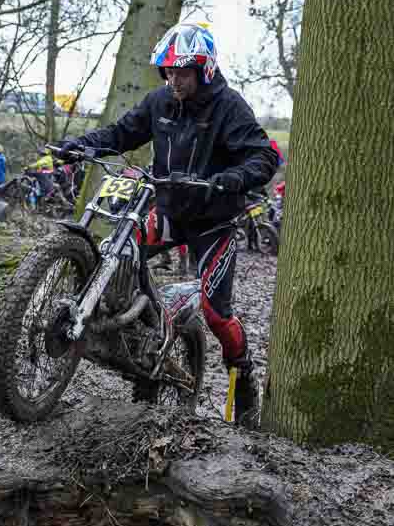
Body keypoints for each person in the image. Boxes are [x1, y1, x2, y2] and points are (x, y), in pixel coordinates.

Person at [58, 22, 278, 428]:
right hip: (171, 210)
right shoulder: (160, 101)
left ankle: (243, 372)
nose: (174, 79)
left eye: (182, 72)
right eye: (168, 71)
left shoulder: (229, 106)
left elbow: (264, 157)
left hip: (214, 220)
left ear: (204, 70)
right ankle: (135, 330)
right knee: (120, 248)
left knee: (215, 313)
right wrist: (82, 146)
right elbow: (122, 133)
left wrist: (232, 178)